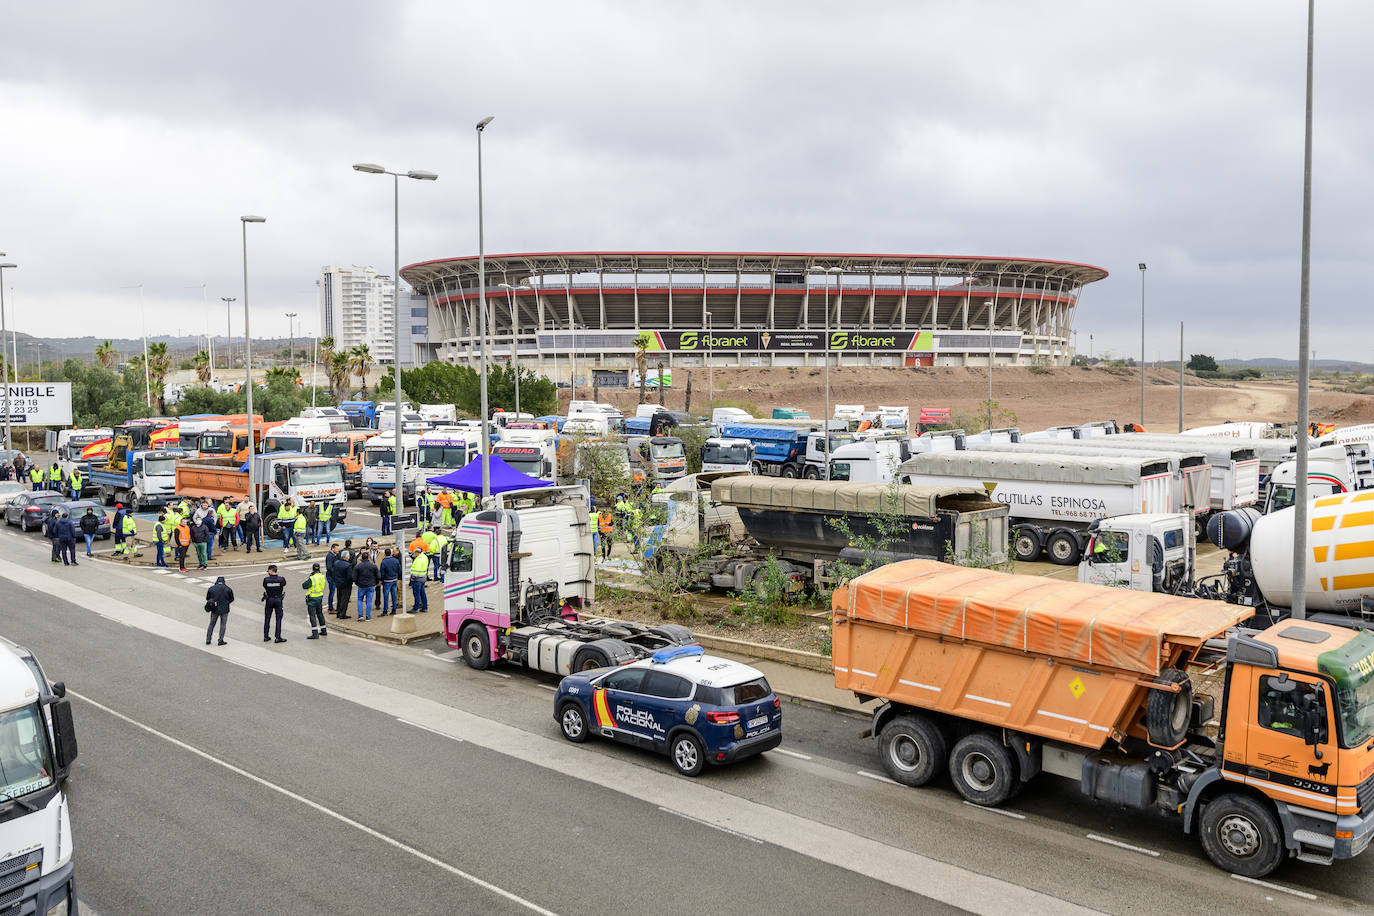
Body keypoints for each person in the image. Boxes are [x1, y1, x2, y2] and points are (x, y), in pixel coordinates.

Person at [204, 576, 234, 646]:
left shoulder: (211, 589)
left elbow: (207, 598)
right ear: (224, 582)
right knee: (223, 625)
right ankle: (220, 640)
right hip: (225, 610)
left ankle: (208, 639)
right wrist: (225, 603)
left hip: (214, 609)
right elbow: (231, 599)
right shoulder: (228, 589)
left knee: (211, 624)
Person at [261, 564, 287, 643]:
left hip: (269, 600)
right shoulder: (281, 579)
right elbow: (284, 584)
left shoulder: (266, 580)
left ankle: (266, 636)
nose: (268, 572)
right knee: (278, 619)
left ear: (271, 571)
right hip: (278, 600)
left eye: (268, 571)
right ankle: (277, 637)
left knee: (267, 618)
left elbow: (265, 586)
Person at [302, 563, 328, 638]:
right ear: (319, 568)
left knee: (312, 616)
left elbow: (304, 585)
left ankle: (315, 633)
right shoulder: (322, 576)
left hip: (312, 598)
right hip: (319, 597)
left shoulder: (312, 578)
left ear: (313, 569)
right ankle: (324, 630)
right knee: (320, 614)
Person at [352, 550, 378, 621]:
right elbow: (378, 576)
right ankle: (368, 616)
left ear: (361, 558)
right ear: (369, 557)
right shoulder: (373, 566)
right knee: (369, 601)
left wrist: (357, 583)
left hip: (361, 586)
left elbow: (354, 577)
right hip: (371, 585)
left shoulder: (358, 566)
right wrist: (375, 583)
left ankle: (360, 615)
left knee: (360, 600)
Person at [332, 543, 354, 620]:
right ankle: (342, 614)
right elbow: (349, 577)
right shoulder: (347, 565)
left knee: (339, 598)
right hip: (346, 585)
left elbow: (334, 573)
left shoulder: (336, 563)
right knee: (345, 600)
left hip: (338, 583)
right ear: (347, 557)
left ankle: (338, 613)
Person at [379, 547, 401, 616]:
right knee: (394, 595)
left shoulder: (384, 562)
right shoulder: (395, 560)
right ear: (391, 553)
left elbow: (382, 573)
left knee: (386, 596)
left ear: (385, 554)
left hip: (387, 581)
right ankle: (394, 610)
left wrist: (382, 580)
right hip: (394, 579)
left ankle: (385, 611)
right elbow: (399, 570)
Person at [324, 543, 341, 613]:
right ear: (332, 549)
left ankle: (331, 607)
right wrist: (336, 572)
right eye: (337, 549)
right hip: (331, 577)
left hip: (332, 576)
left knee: (332, 592)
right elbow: (329, 567)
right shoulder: (330, 556)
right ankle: (330, 608)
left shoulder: (334, 555)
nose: (338, 550)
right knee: (332, 592)